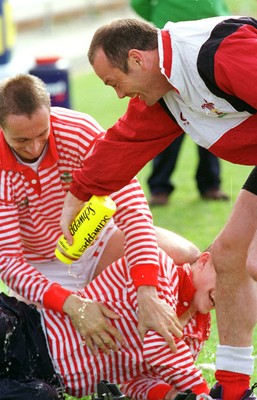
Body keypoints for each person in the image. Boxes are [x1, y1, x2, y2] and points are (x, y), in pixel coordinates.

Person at [59, 16, 257, 400]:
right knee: (228, 254)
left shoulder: (217, 55)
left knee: (251, 260)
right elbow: (124, 142)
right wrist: (76, 198)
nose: (118, 95)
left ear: (137, 59)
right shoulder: (163, 89)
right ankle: (233, 392)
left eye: (115, 82)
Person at [0, 73, 202, 355]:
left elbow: (132, 206)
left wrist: (147, 289)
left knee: (191, 258)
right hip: (42, 266)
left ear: (51, 114)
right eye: (21, 140)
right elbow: (9, 261)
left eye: (42, 135)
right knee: (62, 349)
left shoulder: (77, 129)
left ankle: (186, 340)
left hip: (99, 242)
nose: (34, 148)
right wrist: (71, 304)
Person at [0, 248, 217, 400]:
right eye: (224, 278)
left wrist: (168, 394)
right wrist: (201, 391)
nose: (227, 293)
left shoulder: (195, 335)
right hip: (26, 331)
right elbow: (159, 345)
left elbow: (135, 381)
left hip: (45, 377)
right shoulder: (159, 268)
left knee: (42, 396)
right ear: (204, 261)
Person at [130, 0, 230, 206]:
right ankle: (159, 187)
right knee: (168, 125)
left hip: (209, 48)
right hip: (170, 50)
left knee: (213, 119)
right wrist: (161, 20)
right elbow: (139, 3)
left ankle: (210, 184)